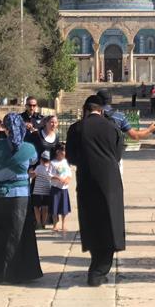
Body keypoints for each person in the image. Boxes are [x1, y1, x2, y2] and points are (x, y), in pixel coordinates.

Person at [67, 95, 126, 286]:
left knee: (92, 221)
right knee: (110, 221)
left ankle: (97, 266)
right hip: (110, 181)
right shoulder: (113, 127)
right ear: (101, 110)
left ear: (85, 109)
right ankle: (99, 270)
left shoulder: (76, 128)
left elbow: (71, 157)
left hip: (87, 180)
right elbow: (117, 154)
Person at [0, 113, 43, 283]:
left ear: (5, 129)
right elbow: (33, 161)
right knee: (18, 234)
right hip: (20, 196)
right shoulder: (28, 148)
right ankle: (19, 273)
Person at [48, 144, 72, 232]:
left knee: (64, 208)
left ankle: (63, 224)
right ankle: (55, 225)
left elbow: (69, 173)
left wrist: (67, 179)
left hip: (64, 188)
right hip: (55, 188)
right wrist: (57, 178)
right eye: (63, 151)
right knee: (54, 207)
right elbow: (49, 174)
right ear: (58, 152)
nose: (64, 153)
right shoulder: (52, 163)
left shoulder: (66, 162)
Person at [31, 151, 53, 229]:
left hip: (38, 191)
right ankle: (44, 223)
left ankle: (39, 223)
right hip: (47, 190)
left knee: (36, 207)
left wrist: (30, 172)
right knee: (45, 207)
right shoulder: (51, 167)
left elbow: (33, 176)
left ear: (41, 159)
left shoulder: (39, 167)